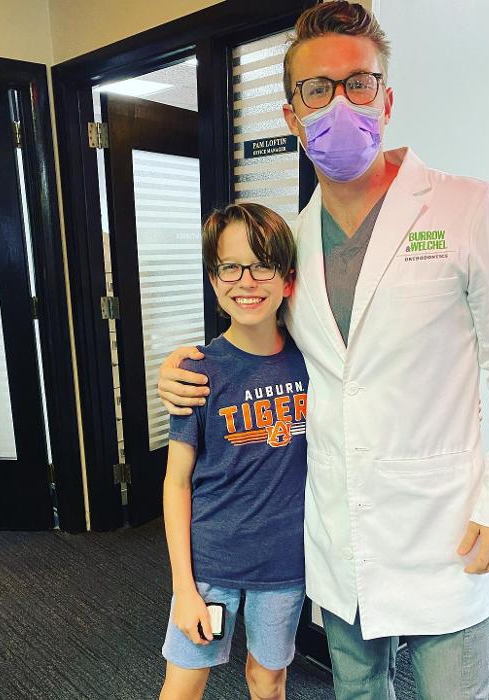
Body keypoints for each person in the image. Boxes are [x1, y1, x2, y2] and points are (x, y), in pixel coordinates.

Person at [158, 3, 489, 698]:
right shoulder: (293, 244)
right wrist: (180, 366)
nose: (340, 104)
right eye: (317, 89)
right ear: (292, 114)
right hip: (340, 532)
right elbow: (258, 335)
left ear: (385, 100)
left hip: (443, 527)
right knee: (358, 691)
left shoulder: (466, 209)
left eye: (358, 83)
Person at [159, 203, 309, 700]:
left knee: (268, 680)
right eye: (230, 266)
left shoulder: (313, 364)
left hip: (284, 562)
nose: (247, 281)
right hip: (210, 565)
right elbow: (176, 483)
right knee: (184, 684)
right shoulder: (197, 371)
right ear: (213, 279)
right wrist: (184, 586)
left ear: (287, 279)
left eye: (262, 265)